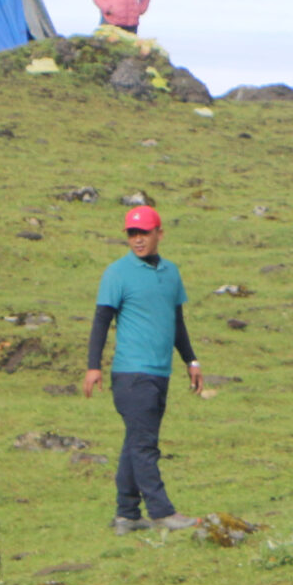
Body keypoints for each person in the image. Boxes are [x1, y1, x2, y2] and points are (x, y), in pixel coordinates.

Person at [81, 206, 206, 532]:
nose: (137, 240)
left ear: (159, 234)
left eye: (144, 233)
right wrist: (93, 367)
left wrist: (190, 361)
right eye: (132, 234)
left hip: (159, 372)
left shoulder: (170, 273)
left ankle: (127, 515)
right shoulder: (117, 273)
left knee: (135, 442)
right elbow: (101, 321)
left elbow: (176, 321)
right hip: (132, 375)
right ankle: (162, 512)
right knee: (144, 445)